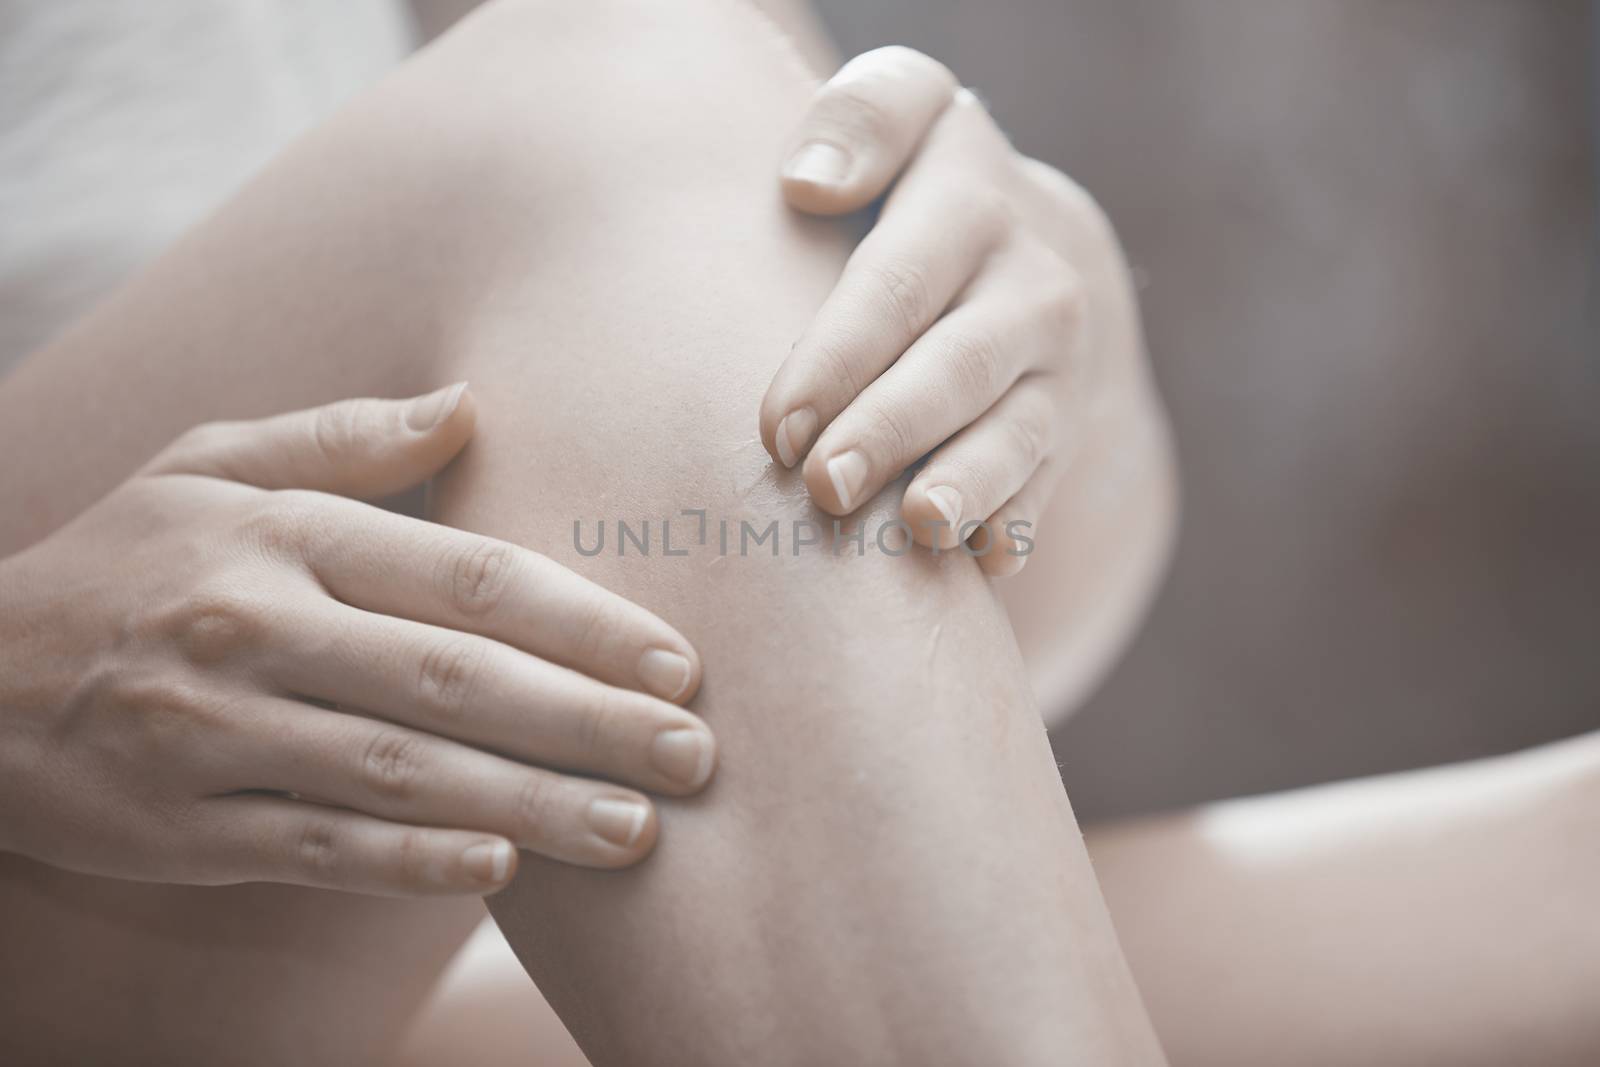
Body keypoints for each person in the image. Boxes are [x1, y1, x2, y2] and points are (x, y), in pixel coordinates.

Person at [0, 1, 1174, 1063]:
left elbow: (891, 672)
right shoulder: (599, 106)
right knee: (621, 85)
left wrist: (1054, 324)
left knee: (1363, 934)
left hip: (396, 946)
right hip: (72, 870)